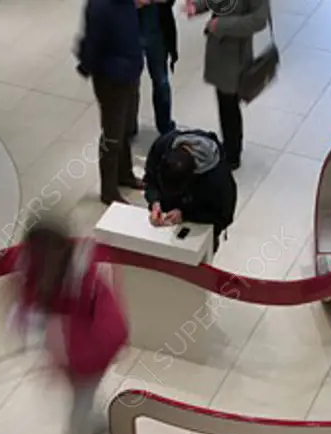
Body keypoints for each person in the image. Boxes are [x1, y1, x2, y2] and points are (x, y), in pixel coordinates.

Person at [9, 217, 129, 434]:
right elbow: (25, 307)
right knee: (83, 406)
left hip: (88, 360)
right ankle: (100, 428)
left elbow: (108, 325)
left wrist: (77, 360)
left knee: (76, 421)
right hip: (70, 360)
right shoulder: (34, 276)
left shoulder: (85, 282)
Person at [183, 0, 269, 171]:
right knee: (225, 101)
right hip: (220, 50)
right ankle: (230, 147)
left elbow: (259, 20)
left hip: (235, 54)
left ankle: (232, 153)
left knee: (229, 103)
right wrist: (197, 6)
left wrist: (221, 25)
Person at [77, 0, 144, 205]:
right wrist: (87, 67)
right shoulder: (100, 6)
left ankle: (125, 174)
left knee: (126, 128)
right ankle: (109, 189)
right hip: (112, 79)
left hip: (131, 72)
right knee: (113, 134)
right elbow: (92, 43)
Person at [144, 128, 237, 251]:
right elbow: (150, 179)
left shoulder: (218, 179)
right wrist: (155, 201)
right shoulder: (162, 146)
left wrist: (186, 215)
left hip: (198, 231)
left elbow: (224, 216)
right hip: (165, 229)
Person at [131, 0, 178, 138]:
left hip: (157, 28)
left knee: (161, 81)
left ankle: (165, 125)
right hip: (130, 27)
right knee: (130, 83)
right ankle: (128, 126)